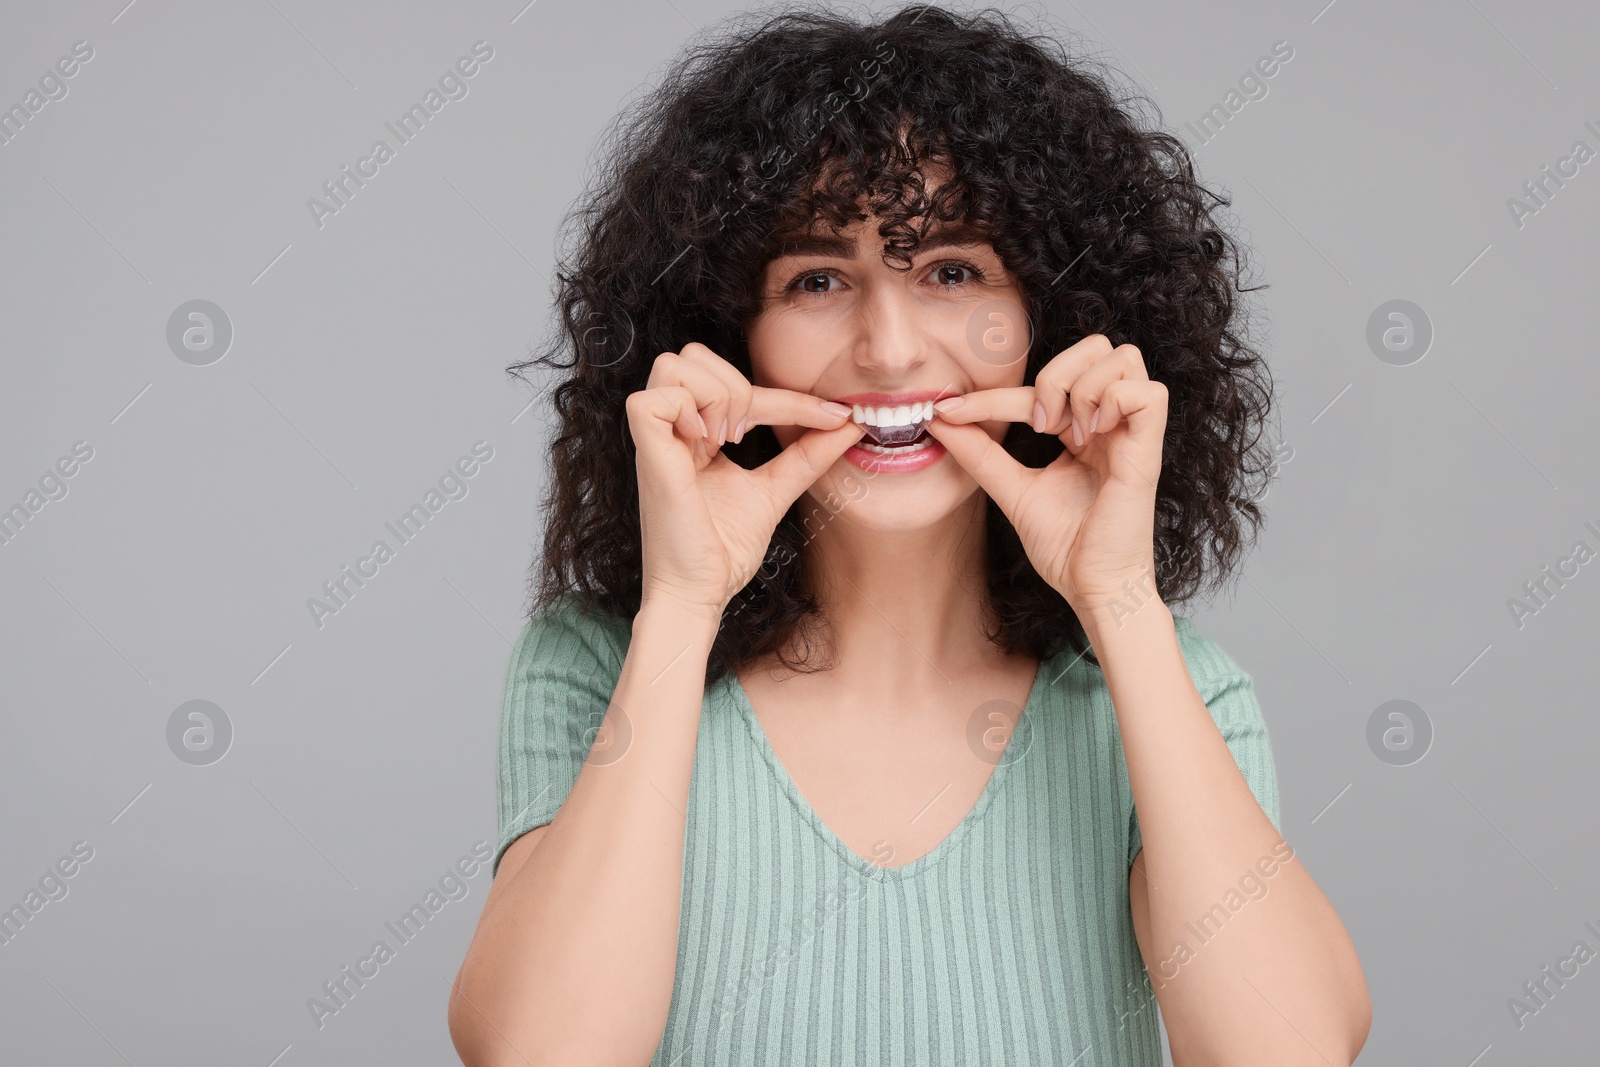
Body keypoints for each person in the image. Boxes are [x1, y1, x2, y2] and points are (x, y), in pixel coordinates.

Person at [449, 6, 1370, 1065]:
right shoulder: (595, 665)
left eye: (952, 271)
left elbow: (1288, 1051)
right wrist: (684, 603)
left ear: (1050, 318)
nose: (889, 351)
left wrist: (1117, 599)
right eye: (817, 279)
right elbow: (538, 1053)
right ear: (723, 331)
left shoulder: (1174, 689)